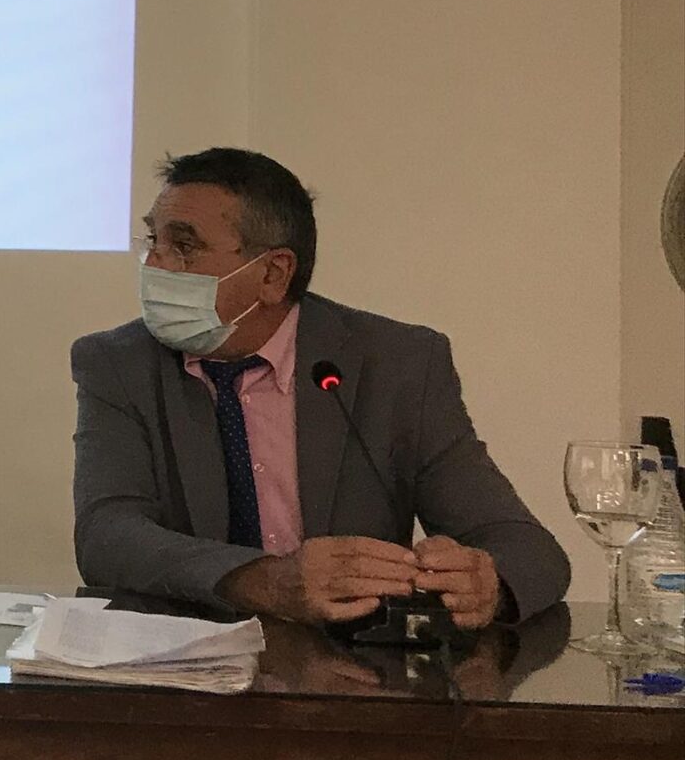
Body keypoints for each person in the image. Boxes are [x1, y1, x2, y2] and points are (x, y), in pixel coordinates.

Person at [71, 148, 568, 630]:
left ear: (273, 274)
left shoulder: (398, 365)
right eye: (152, 240)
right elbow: (106, 536)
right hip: (182, 660)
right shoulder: (119, 363)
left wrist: (486, 583)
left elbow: (528, 549)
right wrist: (264, 581)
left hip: (352, 666)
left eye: (183, 246)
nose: (154, 265)